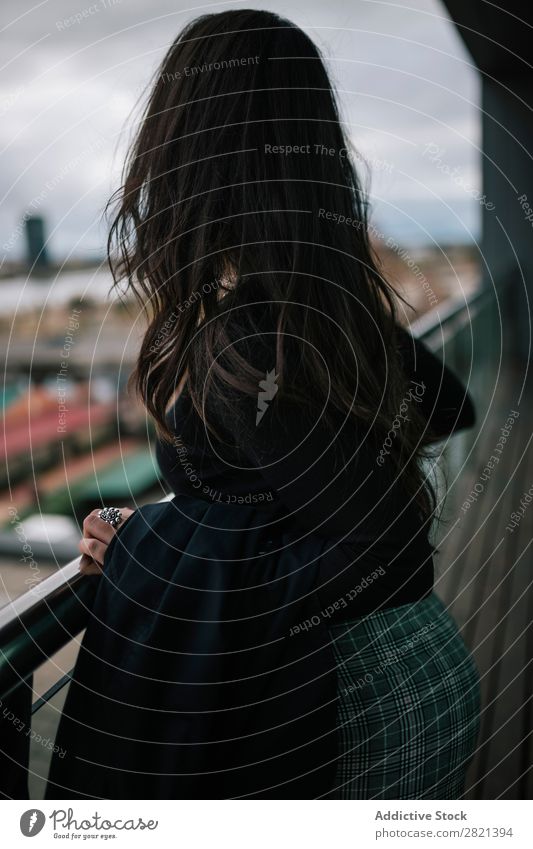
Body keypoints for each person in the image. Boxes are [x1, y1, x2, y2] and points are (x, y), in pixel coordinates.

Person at [46, 9, 480, 800]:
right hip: (413, 665)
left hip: (349, 698)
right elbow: (449, 407)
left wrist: (148, 547)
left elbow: (389, 549)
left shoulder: (247, 341)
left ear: (183, 146)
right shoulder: (318, 304)